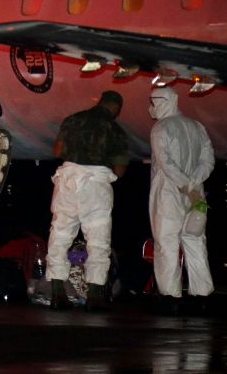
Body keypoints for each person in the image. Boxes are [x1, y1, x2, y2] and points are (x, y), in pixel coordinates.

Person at [46, 91, 129, 310]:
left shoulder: (72, 120)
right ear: (117, 109)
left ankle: (57, 294)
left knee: (60, 236)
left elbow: (57, 151)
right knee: (98, 241)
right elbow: (119, 171)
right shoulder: (116, 130)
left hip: (67, 181)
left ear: (99, 102)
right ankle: (94, 296)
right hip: (96, 186)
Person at [148, 87, 215, 310]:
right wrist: (194, 182)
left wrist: (185, 184)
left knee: (166, 242)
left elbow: (165, 163)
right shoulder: (197, 126)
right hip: (196, 194)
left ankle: (170, 296)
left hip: (169, 191)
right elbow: (208, 160)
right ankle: (202, 295)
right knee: (195, 241)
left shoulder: (161, 128)